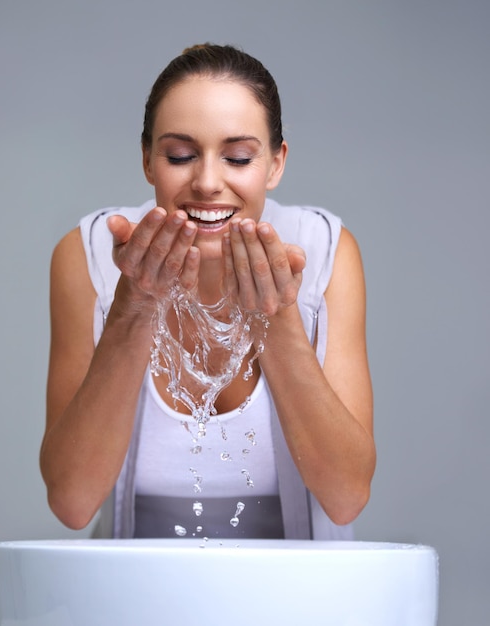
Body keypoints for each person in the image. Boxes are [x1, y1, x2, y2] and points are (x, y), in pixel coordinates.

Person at [40, 43, 375, 540]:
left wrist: (277, 318)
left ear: (276, 164)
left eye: (238, 157)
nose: (207, 182)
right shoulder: (91, 256)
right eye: (180, 155)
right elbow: (71, 501)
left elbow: (347, 498)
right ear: (148, 161)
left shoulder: (324, 252)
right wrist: (133, 307)